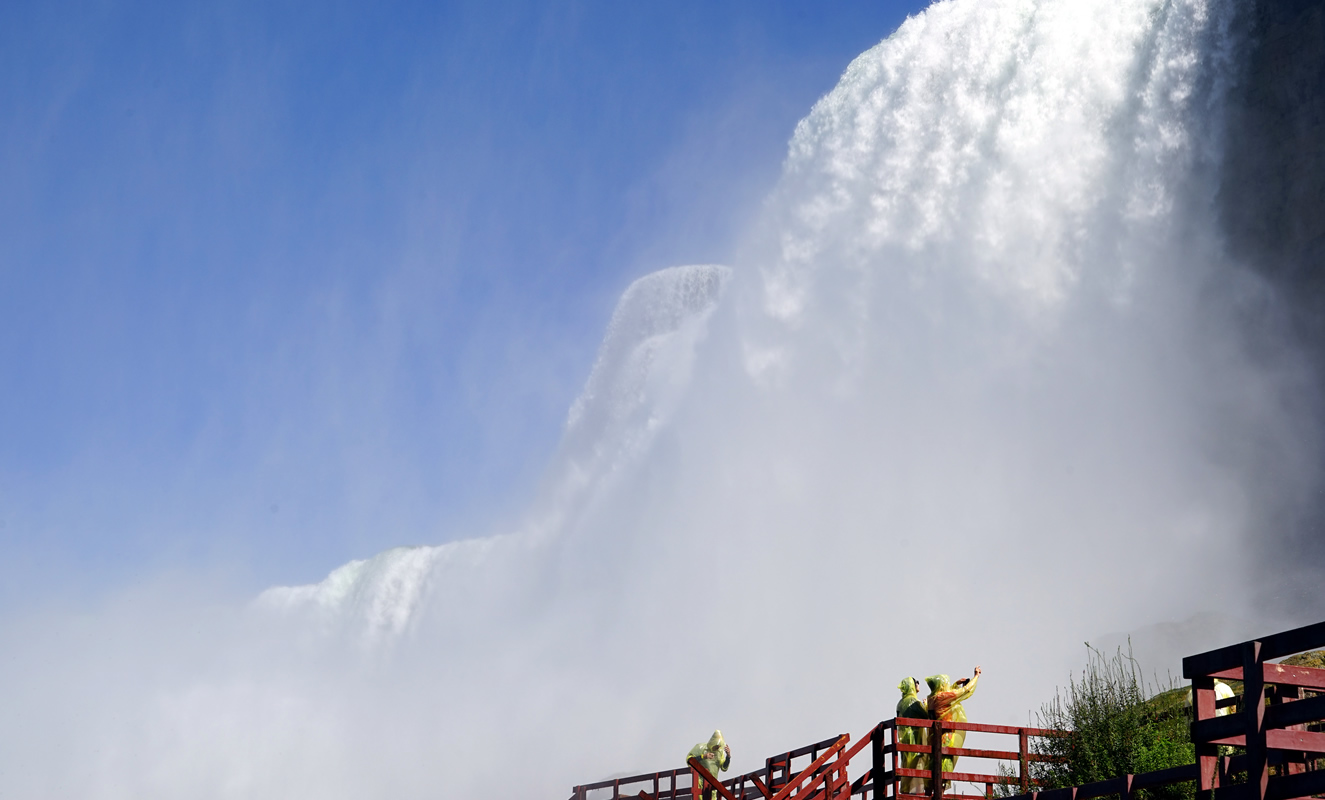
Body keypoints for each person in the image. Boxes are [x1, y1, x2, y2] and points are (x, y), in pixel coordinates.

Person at [925, 666, 982, 790]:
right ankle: (941, 790)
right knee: (944, 764)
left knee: (933, 764)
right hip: (946, 737)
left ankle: (930, 790)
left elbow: (949, 695)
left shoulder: (931, 698)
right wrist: (976, 676)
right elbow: (966, 690)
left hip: (934, 737)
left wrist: (956, 684)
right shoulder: (942, 697)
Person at [896, 677, 931, 795]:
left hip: (904, 736)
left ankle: (905, 790)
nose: (918, 685)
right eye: (916, 683)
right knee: (918, 761)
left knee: (907, 762)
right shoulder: (913, 701)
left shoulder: (900, 703)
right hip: (915, 736)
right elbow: (926, 716)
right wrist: (926, 704)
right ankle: (917, 792)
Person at [687, 730, 731, 800]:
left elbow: (724, 767)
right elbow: (689, 760)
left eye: (719, 746)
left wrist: (728, 756)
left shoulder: (720, 753)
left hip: (712, 784)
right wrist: (703, 756)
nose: (717, 748)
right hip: (699, 783)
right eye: (716, 746)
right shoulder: (701, 747)